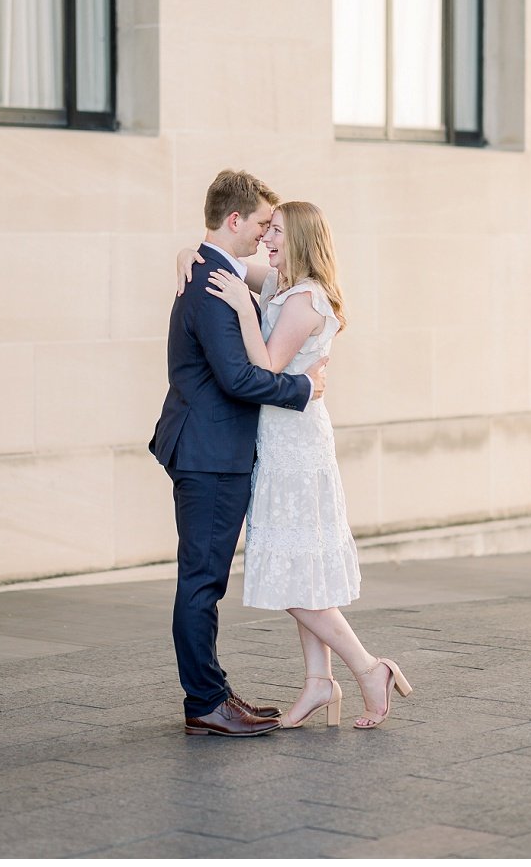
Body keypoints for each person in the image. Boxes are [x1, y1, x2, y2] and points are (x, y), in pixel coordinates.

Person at [190, 201, 413, 730]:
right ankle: (319, 683)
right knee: (302, 567)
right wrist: (186, 253)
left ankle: (367, 667)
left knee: (292, 574)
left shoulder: (306, 298)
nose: (267, 238)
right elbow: (225, 258)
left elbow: (266, 365)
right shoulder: (282, 286)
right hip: (278, 436)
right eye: (267, 229)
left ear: (302, 240)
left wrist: (245, 312)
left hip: (295, 444)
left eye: (278, 232)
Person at [150, 170, 328, 737]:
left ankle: (212, 691)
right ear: (234, 220)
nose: (262, 236)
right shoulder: (210, 282)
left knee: (205, 580)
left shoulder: (216, 271)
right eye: (258, 224)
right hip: (209, 452)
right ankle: (205, 702)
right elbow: (239, 378)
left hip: (212, 448)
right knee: (202, 581)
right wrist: (303, 389)